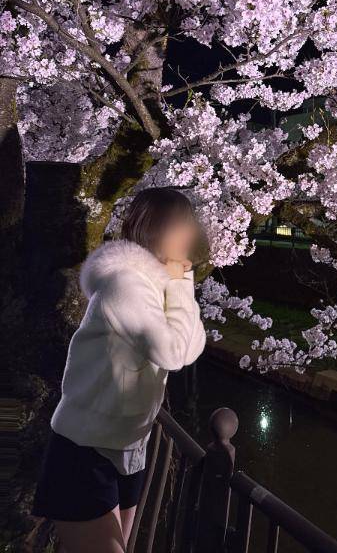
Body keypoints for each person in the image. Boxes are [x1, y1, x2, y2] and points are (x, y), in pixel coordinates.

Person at [31, 187, 207, 553]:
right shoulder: (125, 283)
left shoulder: (159, 284)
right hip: (86, 449)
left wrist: (180, 280)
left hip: (128, 448)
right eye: (184, 226)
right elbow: (173, 353)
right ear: (160, 230)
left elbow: (191, 347)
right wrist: (179, 281)